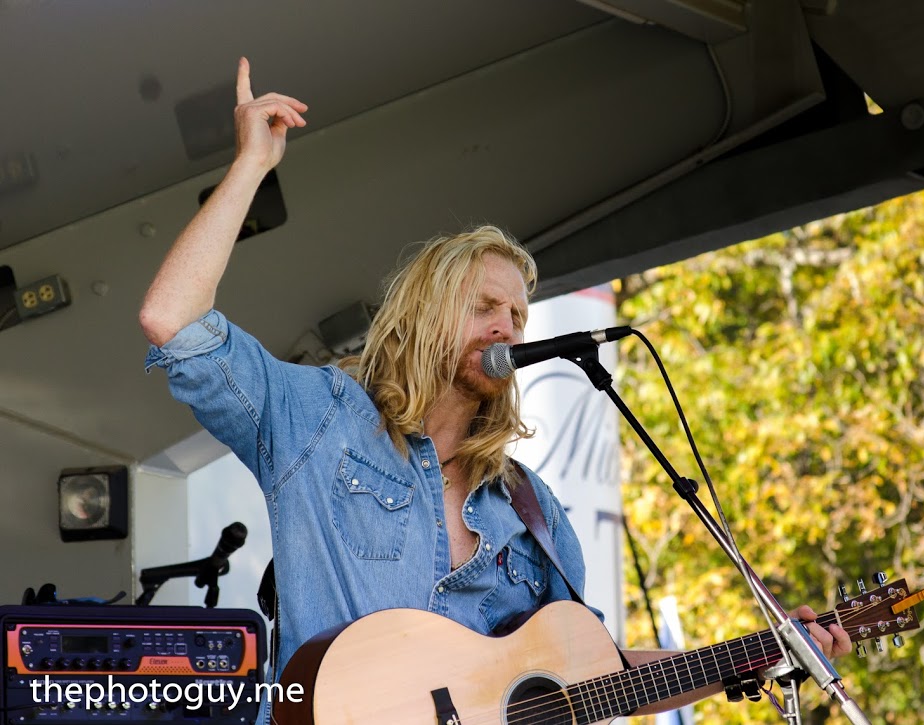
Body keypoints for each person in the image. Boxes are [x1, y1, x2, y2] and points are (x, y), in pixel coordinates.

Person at [140, 58, 850, 722]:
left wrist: (759, 653)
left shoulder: (526, 506)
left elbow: (596, 672)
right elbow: (172, 318)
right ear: (425, 311)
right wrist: (249, 168)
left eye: (516, 315)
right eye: (485, 306)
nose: (505, 326)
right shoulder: (316, 419)